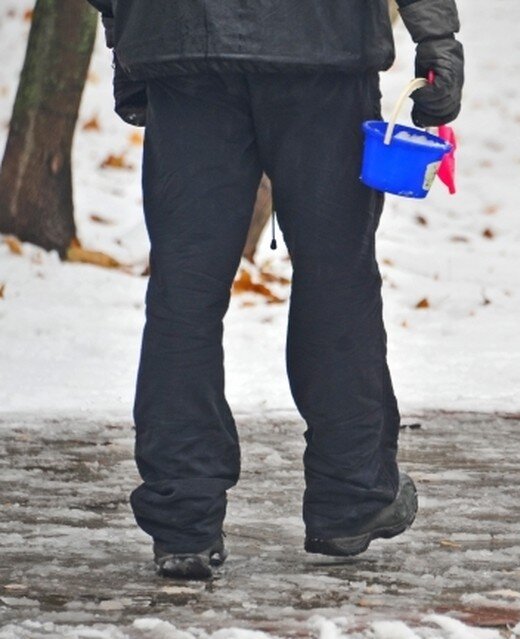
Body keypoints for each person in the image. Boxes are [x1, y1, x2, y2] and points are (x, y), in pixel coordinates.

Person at [85, 0, 464, 579]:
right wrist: (437, 42)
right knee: (337, 276)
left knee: (184, 292)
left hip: (181, 45)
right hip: (322, 45)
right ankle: (351, 497)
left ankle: (183, 516)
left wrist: (127, 38)